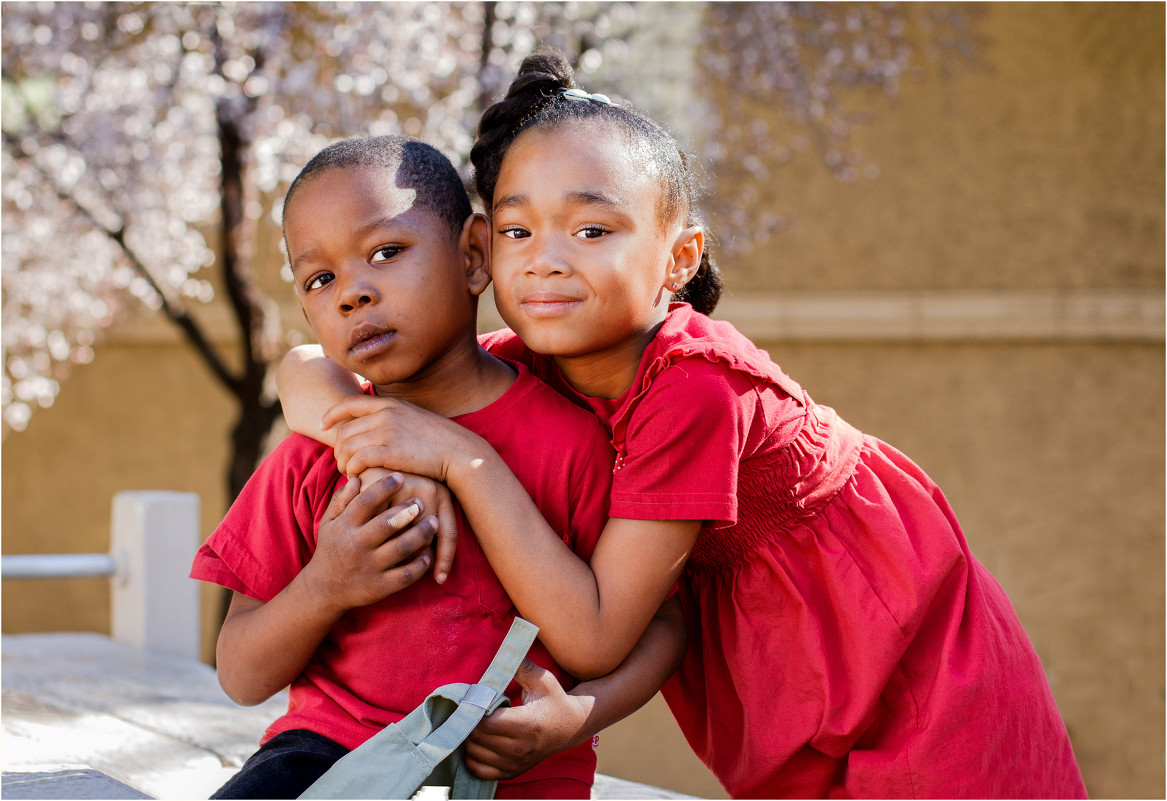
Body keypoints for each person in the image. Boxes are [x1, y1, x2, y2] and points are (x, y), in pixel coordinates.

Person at [278, 53, 1088, 798]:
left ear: (678, 258)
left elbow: (593, 632)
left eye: (591, 230)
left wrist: (459, 457)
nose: (546, 259)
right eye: (519, 231)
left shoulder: (695, 385)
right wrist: (363, 422)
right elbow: (300, 368)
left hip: (903, 659)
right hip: (789, 681)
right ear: (485, 250)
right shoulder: (533, 361)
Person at [191, 134, 686, 800]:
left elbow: (660, 623)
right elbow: (241, 674)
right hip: (334, 751)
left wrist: (578, 716)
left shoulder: (573, 442)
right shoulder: (315, 453)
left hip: (515, 770)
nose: (352, 293)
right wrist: (327, 584)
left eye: (385, 252)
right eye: (320, 278)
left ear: (474, 254)